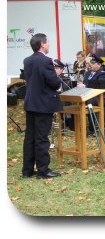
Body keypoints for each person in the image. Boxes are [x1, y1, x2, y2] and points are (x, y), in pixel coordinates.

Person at [22, 33, 62, 179]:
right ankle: (43, 170)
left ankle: (27, 170)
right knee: (41, 138)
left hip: (31, 102)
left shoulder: (27, 60)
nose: (49, 44)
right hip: (43, 104)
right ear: (42, 44)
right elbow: (54, 83)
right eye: (48, 42)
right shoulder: (45, 61)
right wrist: (56, 75)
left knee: (30, 137)